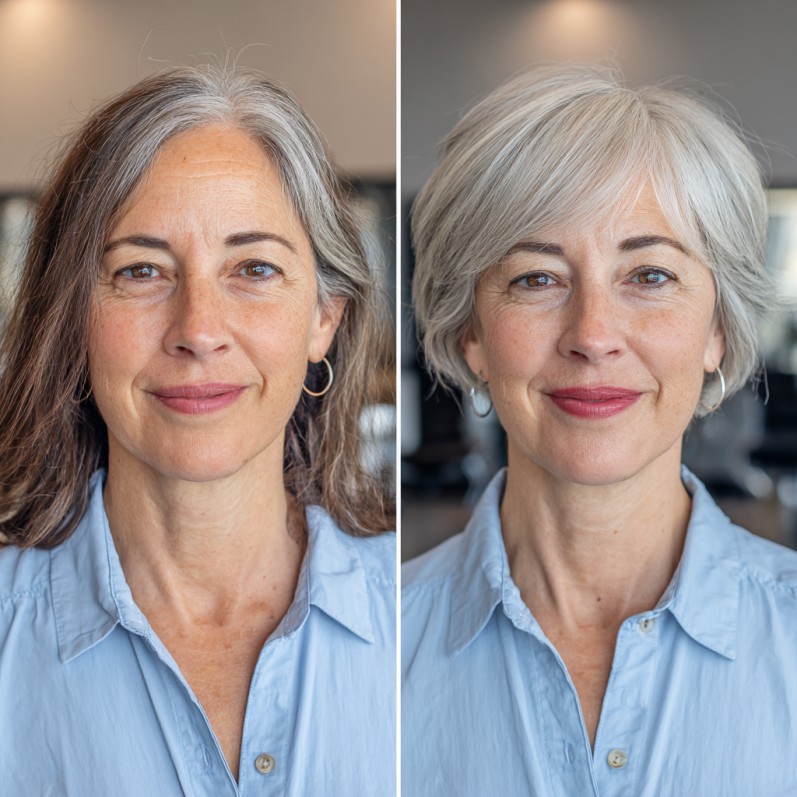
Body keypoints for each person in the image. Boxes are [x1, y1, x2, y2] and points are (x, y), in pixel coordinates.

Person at [402, 64, 797, 796]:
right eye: (536, 277)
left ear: (716, 328)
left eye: (648, 276)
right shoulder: (370, 654)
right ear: (469, 333)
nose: (592, 335)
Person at [0, 65, 395, 795]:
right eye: (141, 270)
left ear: (324, 318)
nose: (198, 330)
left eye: (252, 267)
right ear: (73, 317)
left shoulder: (417, 619)